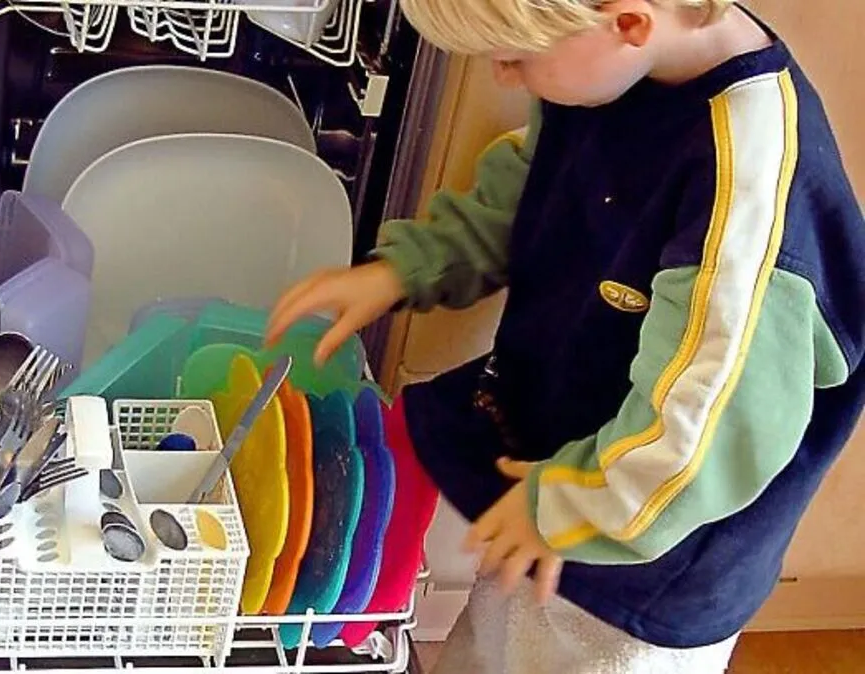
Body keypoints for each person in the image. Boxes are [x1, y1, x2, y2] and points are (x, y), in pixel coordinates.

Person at [265, 0, 865, 671]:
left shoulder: (746, 197)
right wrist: (410, 266)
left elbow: (706, 428)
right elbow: (531, 187)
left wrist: (567, 505)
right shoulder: (617, 63)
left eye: (514, 57)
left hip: (646, 558)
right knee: (489, 649)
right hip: (559, 482)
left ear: (628, 23)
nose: (503, 76)